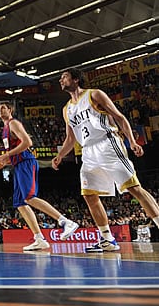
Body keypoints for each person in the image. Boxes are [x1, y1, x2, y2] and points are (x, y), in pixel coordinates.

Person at [51, 68, 159, 252]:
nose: (61, 80)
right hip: (88, 152)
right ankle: (108, 240)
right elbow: (71, 138)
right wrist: (60, 155)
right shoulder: (66, 109)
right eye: (60, 78)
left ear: (76, 79)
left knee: (134, 188)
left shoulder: (94, 95)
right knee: (89, 195)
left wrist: (131, 141)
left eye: (65, 77)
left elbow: (119, 117)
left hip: (108, 143)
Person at [0, 102, 79, 251]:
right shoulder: (5, 129)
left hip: (26, 162)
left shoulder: (14, 123)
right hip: (18, 165)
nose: (0, 110)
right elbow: (15, 151)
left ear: (10, 110)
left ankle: (65, 221)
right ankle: (39, 238)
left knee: (29, 197)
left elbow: (27, 142)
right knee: (20, 204)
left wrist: (6, 155)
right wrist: (4, 161)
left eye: (3, 107)